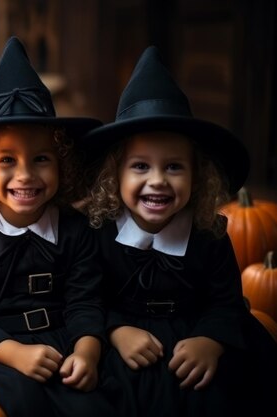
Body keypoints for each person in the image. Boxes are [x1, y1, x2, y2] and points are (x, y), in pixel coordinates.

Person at [83, 45, 277, 417]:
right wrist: (115, 330)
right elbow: (87, 297)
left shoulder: (209, 233)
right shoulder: (101, 233)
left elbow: (226, 301)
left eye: (174, 167)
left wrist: (211, 340)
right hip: (127, 340)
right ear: (115, 176)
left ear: (197, 176)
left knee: (218, 391)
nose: (158, 181)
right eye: (140, 166)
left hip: (194, 333)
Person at [0, 37, 118, 417]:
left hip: (65, 339)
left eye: (41, 159)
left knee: (90, 404)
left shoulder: (77, 230)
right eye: (7, 160)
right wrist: (12, 352)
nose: (25, 175)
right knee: (14, 401)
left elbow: (85, 300)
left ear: (63, 164)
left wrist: (86, 351)